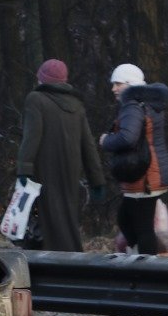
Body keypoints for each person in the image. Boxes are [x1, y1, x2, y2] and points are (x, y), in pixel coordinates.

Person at [15, 58, 106, 251]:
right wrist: (97, 180)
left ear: (42, 79)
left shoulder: (35, 99)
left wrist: (24, 169)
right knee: (65, 219)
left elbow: (31, 137)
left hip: (42, 171)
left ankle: (55, 267)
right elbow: (88, 145)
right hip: (70, 172)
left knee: (45, 221)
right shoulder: (77, 104)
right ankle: (68, 261)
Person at [99, 63, 168, 256]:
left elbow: (127, 138)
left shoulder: (132, 105)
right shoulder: (150, 103)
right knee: (127, 218)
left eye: (118, 84)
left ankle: (148, 270)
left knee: (141, 226)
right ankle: (144, 257)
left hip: (143, 176)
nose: (113, 89)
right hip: (152, 172)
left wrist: (106, 140)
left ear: (131, 84)